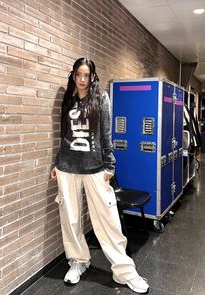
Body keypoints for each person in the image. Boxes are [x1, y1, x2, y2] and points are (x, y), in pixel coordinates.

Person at [51, 57, 149, 294]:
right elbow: (64, 134)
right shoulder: (68, 99)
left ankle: (125, 272)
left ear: (93, 76)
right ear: (73, 75)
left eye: (87, 75)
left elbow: (106, 134)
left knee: (108, 220)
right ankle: (78, 261)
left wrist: (110, 165)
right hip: (68, 167)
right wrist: (57, 163)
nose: (83, 80)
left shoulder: (101, 98)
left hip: (96, 168)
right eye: (78, 75)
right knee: (71, 218)